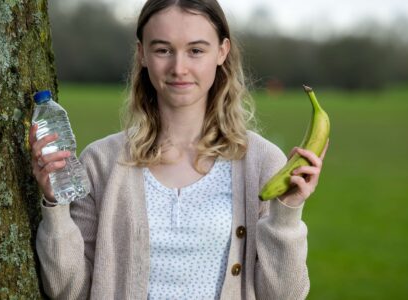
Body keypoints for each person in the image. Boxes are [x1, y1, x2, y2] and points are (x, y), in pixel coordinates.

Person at [29, 0, 328, 299]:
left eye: (196, 50)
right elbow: (68, 290)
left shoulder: (262, 162)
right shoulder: (100, 163)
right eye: (163, 50)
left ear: (222, 52)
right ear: (142, 53)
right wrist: (56, 207)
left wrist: (286, 215)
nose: (179, 68)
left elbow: (284, 295)